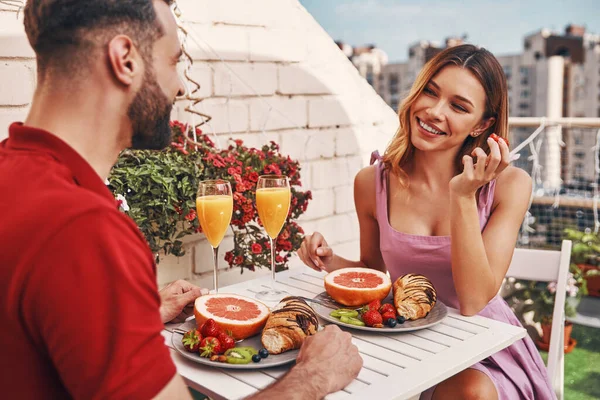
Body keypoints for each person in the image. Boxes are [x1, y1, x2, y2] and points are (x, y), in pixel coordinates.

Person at [0, 1, 362, 399]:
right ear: (125, 60)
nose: (181, 86)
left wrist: (131, 313)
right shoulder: (85, 228)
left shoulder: (14, 175)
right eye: (174, 61)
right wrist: (314, 376)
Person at [299, 44, 555, 400]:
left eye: (458, 106)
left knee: (469, 393)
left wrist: (463, 196)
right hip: (409, 343)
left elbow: (473, 301)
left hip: (482, 351)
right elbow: (375, 275)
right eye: (430, 92)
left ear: (482, 124)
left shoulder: (510, 186)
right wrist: (330, 262)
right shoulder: (371, 183)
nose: (434, 111)